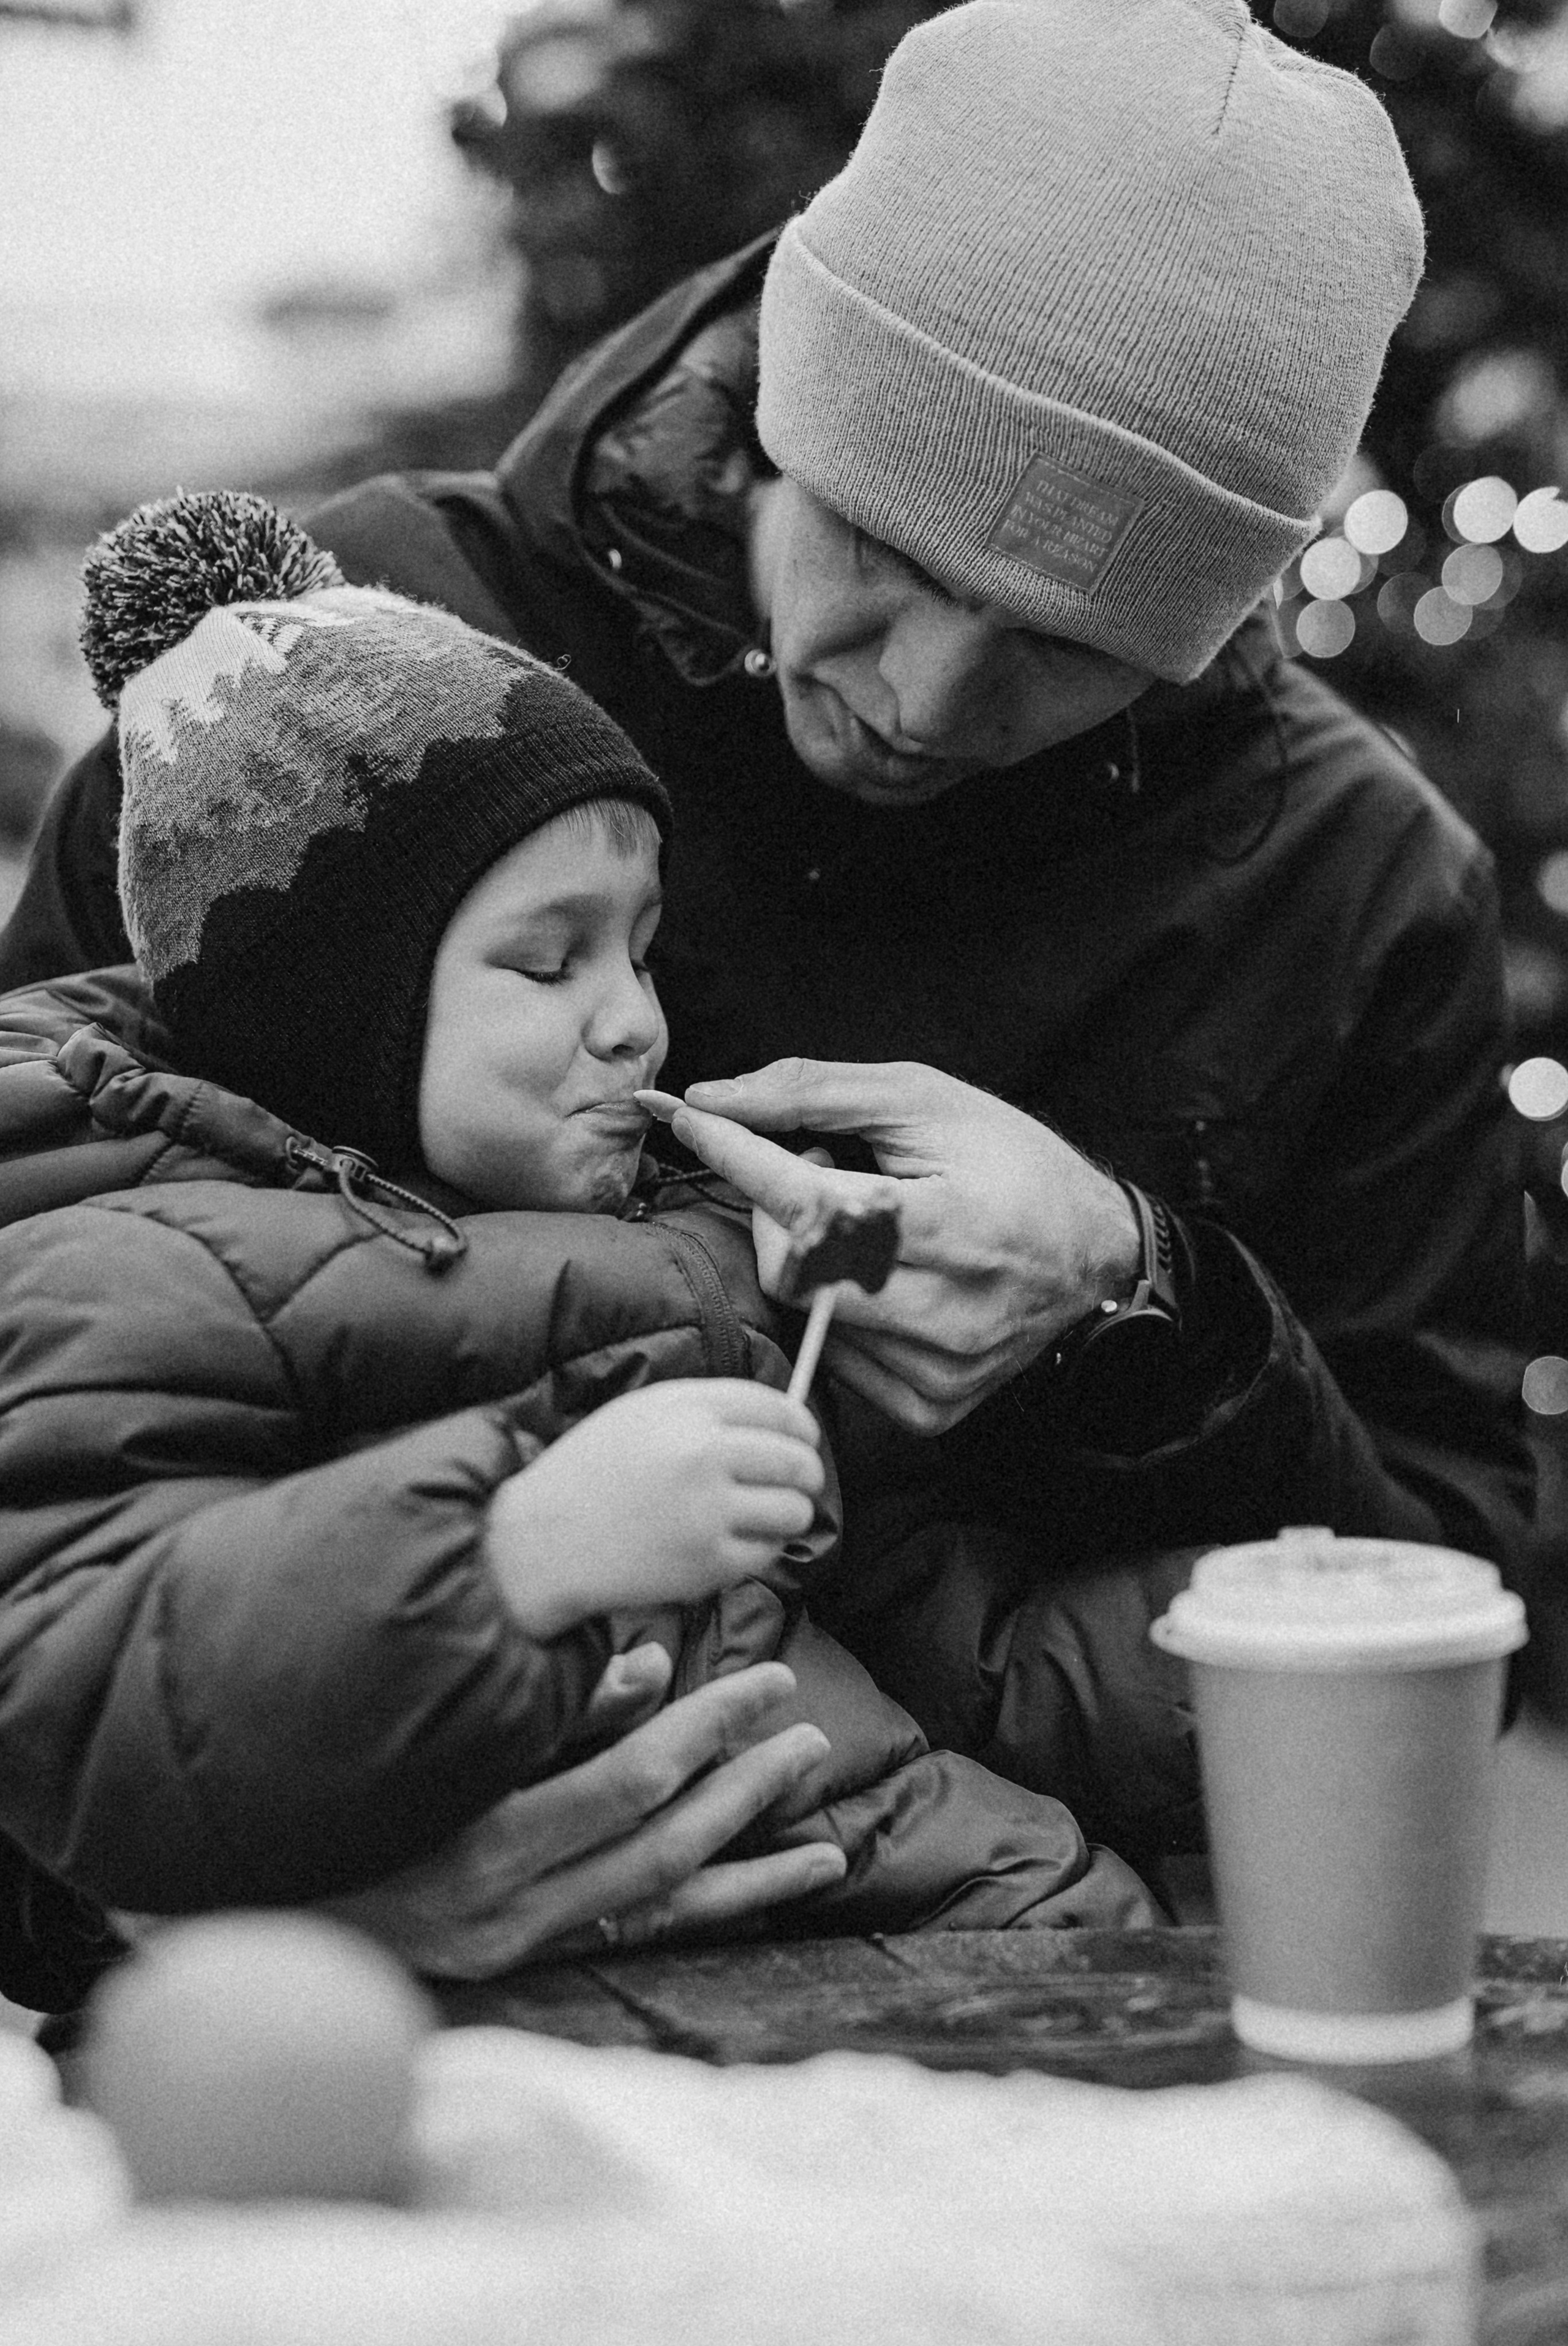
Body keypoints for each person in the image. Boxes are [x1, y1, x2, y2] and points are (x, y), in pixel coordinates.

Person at [0, 2, 1536, 1918]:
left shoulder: (1357, 879)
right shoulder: (336, 701)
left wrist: (1143, 1300)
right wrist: (231, 1898)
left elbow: (1439, 1607)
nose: (926, 698)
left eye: (1069, 645)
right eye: (891, 552)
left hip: (1035, 2000)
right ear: (780, 416)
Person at [0, 490, 1153, 2013]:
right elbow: (90, 1674)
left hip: (902, 1912)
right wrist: (509, 1552)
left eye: (639, 943)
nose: (635, 1018)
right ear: (332, 1016)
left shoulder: (641, 1245)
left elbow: (939, 1634)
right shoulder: (130, 1266)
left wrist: (1211, 1645)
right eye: (548, 961)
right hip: (536, 2026)